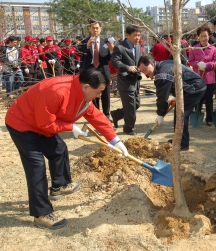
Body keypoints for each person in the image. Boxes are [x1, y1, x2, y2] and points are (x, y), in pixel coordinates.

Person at [5, 68, 129, 229]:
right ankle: (41, 214)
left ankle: (59, 186)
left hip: (42, 123)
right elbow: (45, 123)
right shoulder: (57, 92)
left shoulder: (82, 95)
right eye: (98, 92)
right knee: (36, 166)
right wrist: (70, 127)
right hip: (22, 123)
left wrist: (115, 140)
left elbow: (96, 116)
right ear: (86, 86)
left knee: (59, 149)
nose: (99, 96)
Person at [137, 56, 206, 150]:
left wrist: (160, 114)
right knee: (179, 114)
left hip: (194, 88)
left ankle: (183, 144)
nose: (146, 73)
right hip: (188, 89)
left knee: (181, 115)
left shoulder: (162, 74)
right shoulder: (162, 64)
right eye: (143, 71)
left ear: (152, 64)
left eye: (145, 69)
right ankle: (178, 139)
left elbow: (162, 97)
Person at [110, 25, 142, 135]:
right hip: (125, 82)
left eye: (139, 35)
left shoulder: (137, 46)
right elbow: (115, 61)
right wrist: (127, 68)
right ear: (127, 35)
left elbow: (139, 60)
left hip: (135, 81)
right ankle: (128, 128)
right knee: (130, 107)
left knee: (136, 104)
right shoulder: (120, 47)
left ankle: (117, 114)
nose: (137, 38)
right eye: (135, 36)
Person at [80, 20, 114, 121]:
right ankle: (96, 115)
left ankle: (106, 115)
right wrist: (87, 46)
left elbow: (110, 59)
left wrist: (112, 50)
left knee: (106, 94)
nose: (95, 30)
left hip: (104, 71)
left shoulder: (105, 42)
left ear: (100, 29)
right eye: (93, 28)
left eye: (97, 28)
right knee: (93, 95)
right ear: (89, 29)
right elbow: (78, 51)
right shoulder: (85, 41)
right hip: (91, 72)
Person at [188, 24, 216, 126]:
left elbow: (215, 62)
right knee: (198, 99)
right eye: (202, 36)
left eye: (206, 36)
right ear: (198, 37)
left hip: (209, 78)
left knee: (209, 99)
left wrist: (207, 65)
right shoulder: (194, 48)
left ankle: (209, 118)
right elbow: (190, 61)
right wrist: (197, 64)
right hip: (198, 77)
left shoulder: (213, 48)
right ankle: (197, 114)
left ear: (209, 36)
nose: (204, 38)